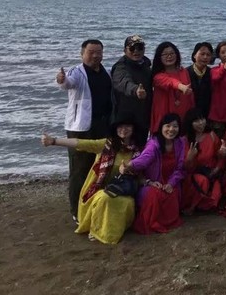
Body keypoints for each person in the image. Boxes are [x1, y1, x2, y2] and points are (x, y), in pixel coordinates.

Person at [41, 114, 144, 244]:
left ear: (133, 128)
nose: (123, 129)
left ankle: (115, 230)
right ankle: (97, 230)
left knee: (125, 203)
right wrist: (54, 141)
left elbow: (142, 174)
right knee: (105, 198)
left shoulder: (138, 150)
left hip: (124, 189)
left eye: (127, 126)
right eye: (120, 126)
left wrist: (130, 171)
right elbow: (80, 143)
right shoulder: (106, 144)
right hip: (100, 188)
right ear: (115, 128)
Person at [55, 38, 113, 223]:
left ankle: (94, 204)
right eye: (91, 52)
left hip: (103, 126)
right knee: (79, 170)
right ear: (82, 54)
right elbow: (68, 83)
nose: (95, 56)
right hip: (80, 128)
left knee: (100, 168)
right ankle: (77, 210)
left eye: (99, 52)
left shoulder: (106, 72)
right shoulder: (77, 72)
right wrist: (62, 80)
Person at [121, 113, 186, 235]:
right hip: (150, 182)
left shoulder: (180, 143)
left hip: (170, 181)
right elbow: (145, 157)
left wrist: (171, 183)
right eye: (168, 126)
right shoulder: (153, 143)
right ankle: (151, 223)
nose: (171, 129)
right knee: (154, 194)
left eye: (175, 126)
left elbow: (180, 168)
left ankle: (166, 223)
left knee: (172, 193)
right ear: (161, 127)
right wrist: (130, 165)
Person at [181, 107, 225, 214]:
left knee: (214, 195)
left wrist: (217, 168)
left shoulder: (212, 136)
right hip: (192, 176)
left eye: (202, 119)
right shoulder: (184, 140)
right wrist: (189, 158)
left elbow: (220, 158)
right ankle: (192, 206)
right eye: (196, 121)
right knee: (202, 181)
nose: (201, 123)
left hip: (211, 173)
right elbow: (184, 167)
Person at [111, 35, 152, 134]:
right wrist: (136, 90)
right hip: (125, 120)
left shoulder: (146, 66)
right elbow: (123, 82)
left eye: (140, 48)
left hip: (143, 117)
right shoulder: (120, 67)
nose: (136, 51)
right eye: (132, 48)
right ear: (125, 50)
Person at [150, 42, 194, 130]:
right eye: (165, 54)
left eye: (172, 53)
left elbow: (190, 96)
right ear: (159, 57)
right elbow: (170, 82)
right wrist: (181, 86)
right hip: (164, 118)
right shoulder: (158, 76)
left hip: (183, 115)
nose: (169, 56)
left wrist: (192, 113)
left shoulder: (184, 71)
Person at [187, 42, 215, 118]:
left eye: (208, 55)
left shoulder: (212, 73)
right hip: (189, 113)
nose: (205, 57)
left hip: (207, 113)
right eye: (202, 54)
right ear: (194, 55)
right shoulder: (186, 72)